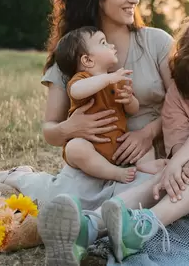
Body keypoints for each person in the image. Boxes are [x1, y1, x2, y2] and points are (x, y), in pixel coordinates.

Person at [38, 12, 189, 264]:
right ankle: (88, 227)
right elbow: (178, 144)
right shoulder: (177, 92)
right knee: (161, 178)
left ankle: (144, 228)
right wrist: (177, 162)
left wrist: (180, 162)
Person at [0, 0, 174, 212]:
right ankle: (17, 177)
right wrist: (71, 127)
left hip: (146, 157)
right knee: (63, 202)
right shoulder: (70, 56)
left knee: (141, 198)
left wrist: (148, 133)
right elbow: (50, 130)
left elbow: (181, 104)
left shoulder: (156, 42)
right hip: (94, 158)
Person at [53, 26, 168, 183]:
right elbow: (76, 91)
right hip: (90, 146)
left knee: (145, 147)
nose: (112, 46)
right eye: (103, 43)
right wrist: (107, 79)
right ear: (87, 60)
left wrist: (129, 100)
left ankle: (145, 167)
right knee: (75, 148)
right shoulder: (82, 79)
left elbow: (133, 110)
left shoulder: (116, 81)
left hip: (118, 145)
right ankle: (114, 173)